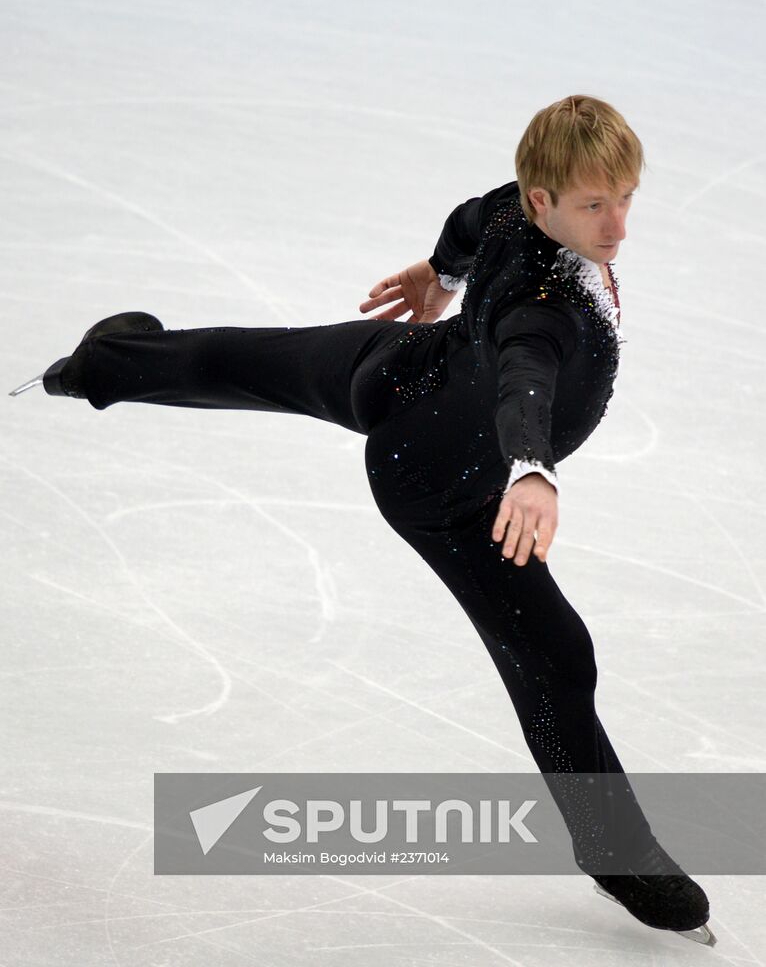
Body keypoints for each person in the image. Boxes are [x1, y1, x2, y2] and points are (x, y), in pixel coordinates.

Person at [10, 94, 715, 946]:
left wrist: (438, 275)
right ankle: (617, 853)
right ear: (543, 200)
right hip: (442, 482)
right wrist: (529, 470)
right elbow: (525, 373)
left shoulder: (508, 204)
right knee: (557, 655)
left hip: (404, 370)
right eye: (596, 206)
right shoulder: (545, 305)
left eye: (626, 198)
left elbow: (467, 220)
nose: (619, 226)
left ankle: (101, 363)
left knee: (263, 360)